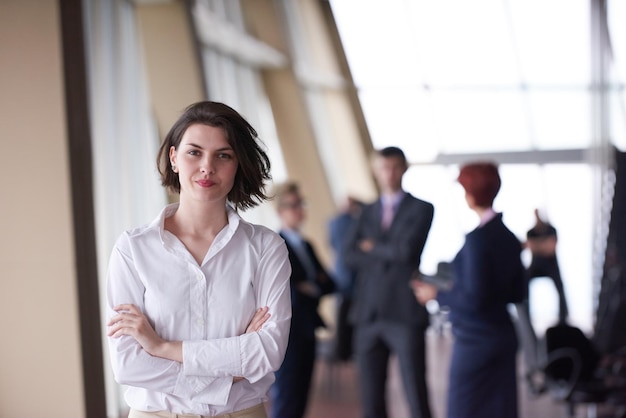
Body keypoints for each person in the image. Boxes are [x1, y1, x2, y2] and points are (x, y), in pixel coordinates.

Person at [105, 101, 292, 418]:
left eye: (223, 155)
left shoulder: (266, 248)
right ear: (174, 158)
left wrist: (163, 348)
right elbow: (129, 365)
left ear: (238, 165)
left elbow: (268, 353)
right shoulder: (133, 249)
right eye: (195, 152)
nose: (208, 166)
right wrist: (234, 367)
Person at [412, 162, 525, 418]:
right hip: (503, 336)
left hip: (475, 341)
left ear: (471, 192)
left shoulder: (477, 239)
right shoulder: (509, 238)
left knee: (462, 409)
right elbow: (518, 293)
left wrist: (436, 294)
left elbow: (473, 299)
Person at [344, 146, 434, 418]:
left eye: (395, 167)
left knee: (415, 393)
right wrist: (386, 250)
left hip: (404, 312)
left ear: (404, 169)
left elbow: (408, 252)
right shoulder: (366, 211)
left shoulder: (422, 208)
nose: (389, 174)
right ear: (376, 171)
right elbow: (348, 255)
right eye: (384, 168)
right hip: (368, 314)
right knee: (371, 400)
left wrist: (372, 248)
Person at [269, 182, 336, 418]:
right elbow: (290, 290)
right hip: (288, 331)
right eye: (293, 205)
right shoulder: (275, 245)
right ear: (280, 211)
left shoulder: (306, 245)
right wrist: (310, 283)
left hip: (308, 327)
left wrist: (310, 285)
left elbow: (330, 284)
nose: (299, 209)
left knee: (302, 395)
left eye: (301, 204)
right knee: (287, 394)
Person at [327, 196, 363, 361]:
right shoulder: (353, 222)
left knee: (342, 311)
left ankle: (342, 350)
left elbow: (332, 244)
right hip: (353, 275)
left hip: (341, 272)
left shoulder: (333, 223)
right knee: (351, 313)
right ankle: (347, 350)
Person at [525, 208, 569, 323]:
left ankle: (563, 318)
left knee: (560, 288)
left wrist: (536, 245)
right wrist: (543, 244)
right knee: (522, 283)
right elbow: (530, 247)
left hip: (551, 266)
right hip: (536, 266)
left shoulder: (551, 229)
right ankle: (525, 319)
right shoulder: (531, 232)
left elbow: (550, 248)